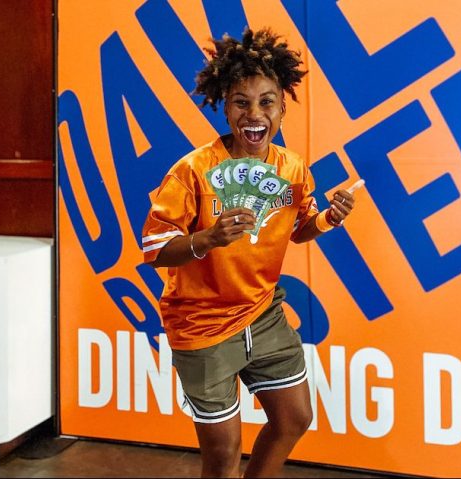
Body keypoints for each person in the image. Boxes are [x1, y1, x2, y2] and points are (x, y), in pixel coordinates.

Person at [141, 27, 356, 478]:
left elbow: (299, 228)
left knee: (294, 418)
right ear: (224, 106)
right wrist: (208, 239)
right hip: (203, 325)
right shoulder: (193, 170)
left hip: (264, 313)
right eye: (242, 102)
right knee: (222, 456)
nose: (254, 113)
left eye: (266, 101)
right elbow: (157, 249)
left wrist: (329, 218)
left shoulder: (292, 167)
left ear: (281, 108)